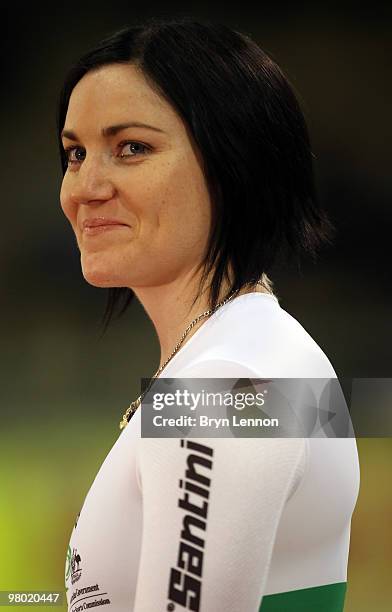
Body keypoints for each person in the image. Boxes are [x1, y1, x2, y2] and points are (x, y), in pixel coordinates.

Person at [58, 17, 360, 611]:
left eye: (132, 148)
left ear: (234, 163)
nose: (84, 187)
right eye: (74, 153)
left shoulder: (222, 383)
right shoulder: (258, 353)